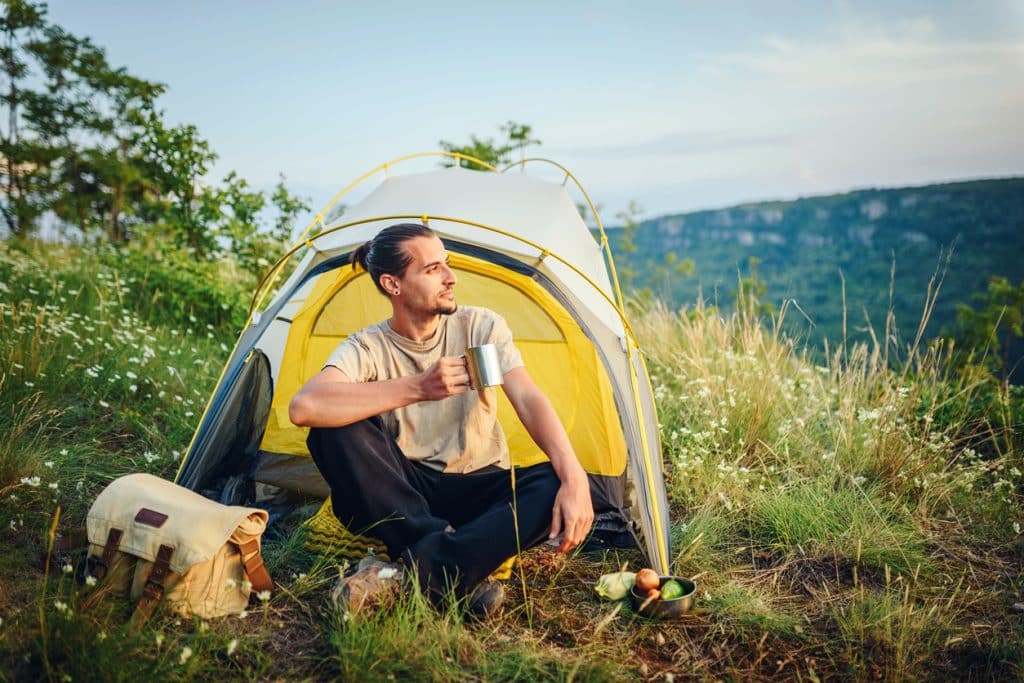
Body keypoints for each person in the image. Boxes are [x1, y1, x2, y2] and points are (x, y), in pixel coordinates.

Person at [289, 222, 594, 618]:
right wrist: (418, 387)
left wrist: (574, 477)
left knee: (553, 482)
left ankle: (411, 574)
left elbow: (529, 399)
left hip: (478, 484)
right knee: (331, 428)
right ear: (392, 284)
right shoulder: (368, 347)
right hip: (402, 492)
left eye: (447, 265)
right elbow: (304, 406)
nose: (451, 278)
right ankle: (458, 569)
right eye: (433, 269)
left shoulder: (478, 328)